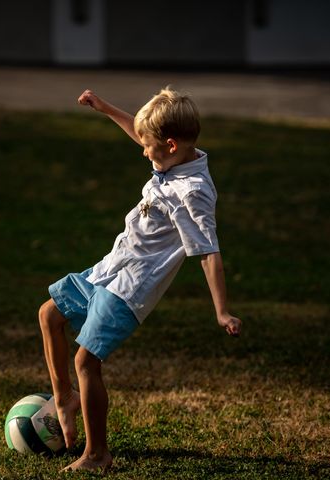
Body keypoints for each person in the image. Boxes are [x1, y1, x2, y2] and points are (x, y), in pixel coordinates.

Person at [38, 87, 242, 473]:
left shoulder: (192, 192)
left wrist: (222, 311)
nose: (142, 150)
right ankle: (64, 398)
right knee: (49, 315)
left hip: (131, 288)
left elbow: (209, 251)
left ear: (169, 145)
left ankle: (97, 454)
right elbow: (141, 131)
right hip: (109, 268)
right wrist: (104, 108)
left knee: (86, 360)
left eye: (148, 146)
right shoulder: (173, 158)